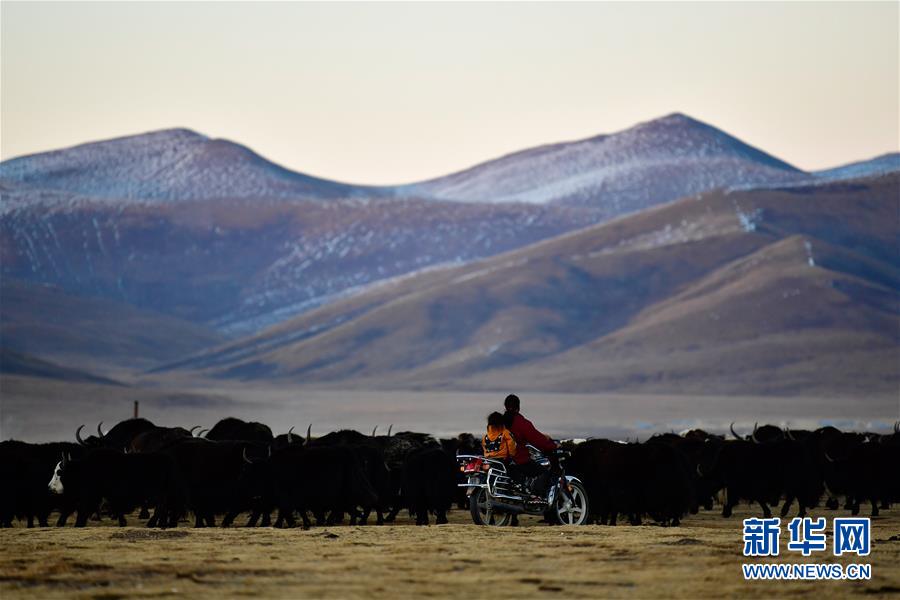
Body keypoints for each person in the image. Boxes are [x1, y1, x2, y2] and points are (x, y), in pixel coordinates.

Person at [502, 393, 558, 497]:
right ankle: (536, 497)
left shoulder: (499, 422)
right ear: (518, 407)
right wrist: (553, 446)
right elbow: (536, 439)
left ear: (505, 406)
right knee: (544, 472)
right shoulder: (521, 422)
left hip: (500, 459)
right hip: (518, 460)